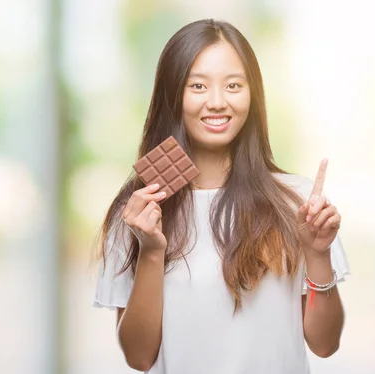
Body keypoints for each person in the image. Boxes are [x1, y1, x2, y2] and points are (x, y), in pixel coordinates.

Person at [92, 19, 350, 374]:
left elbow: (324, 343)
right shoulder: (138, 211)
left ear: (253, 95)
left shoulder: (297, 201)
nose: (217, 102)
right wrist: (152, 250)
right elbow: (139, 357)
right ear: (172, 94)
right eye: (197, 85)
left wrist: (318, 254)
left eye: (233, 85)